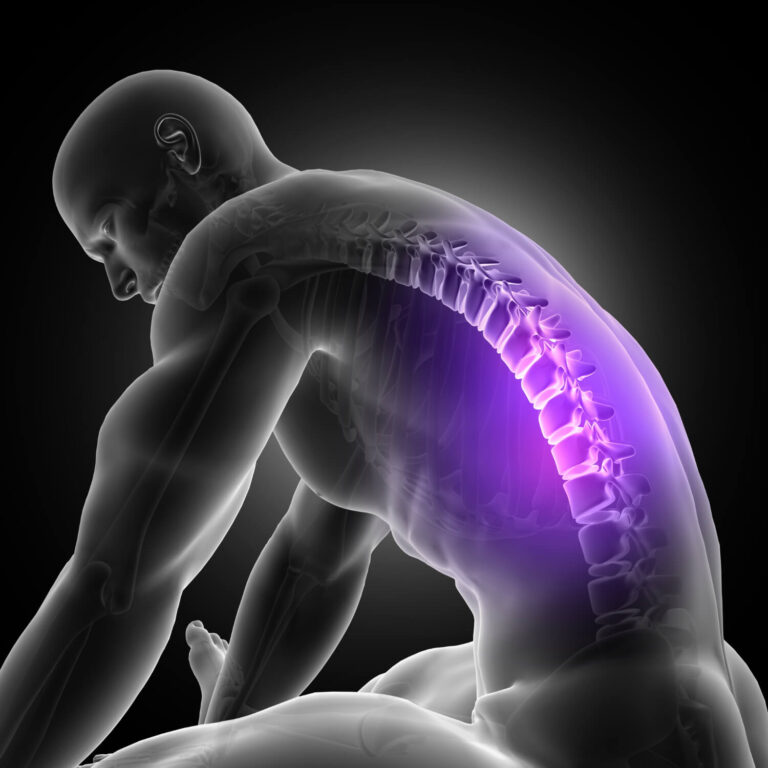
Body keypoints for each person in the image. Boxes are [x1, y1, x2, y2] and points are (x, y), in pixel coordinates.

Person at [0, 70, 764, 768]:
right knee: (394, 689)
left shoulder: (244, 260)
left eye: (111, 233)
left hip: (591, 734)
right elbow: (313, 562)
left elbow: (116, 581)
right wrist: (229, 716)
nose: (119, 282)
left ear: (180, 150)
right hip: (706, 705)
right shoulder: (374, 261)